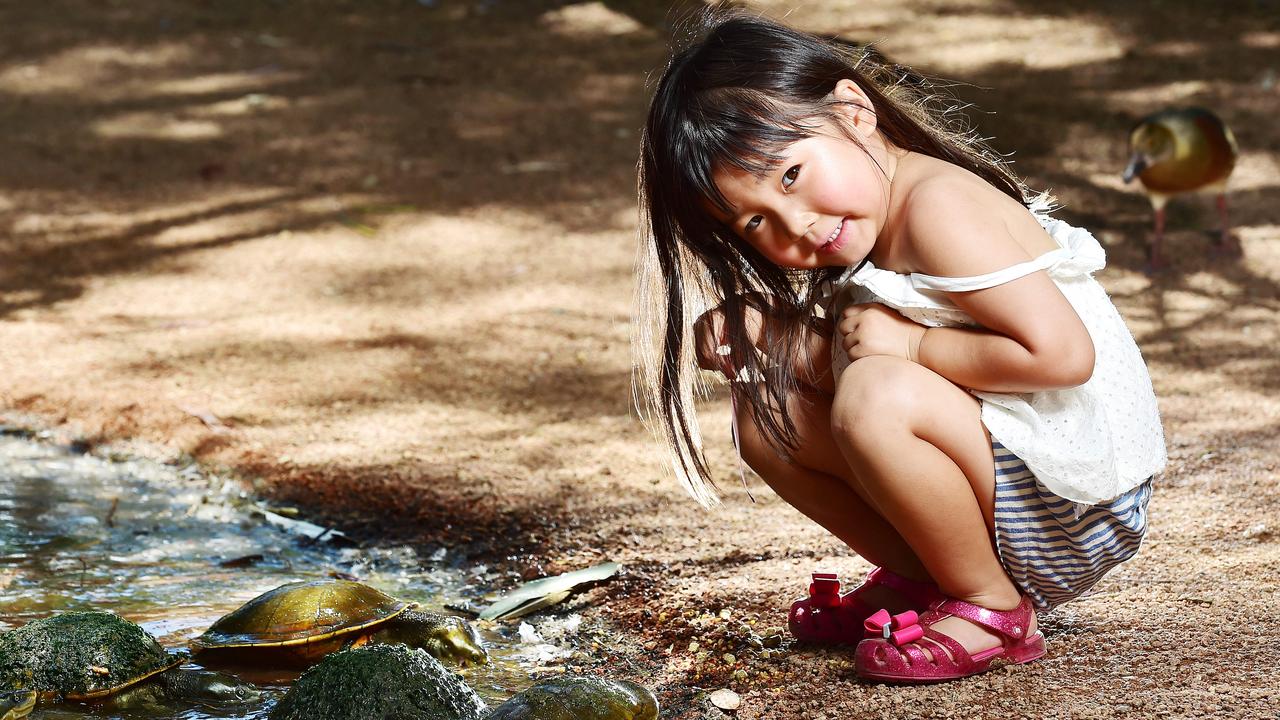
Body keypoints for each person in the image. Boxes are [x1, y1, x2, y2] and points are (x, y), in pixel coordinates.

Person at [633, 10, 1165, 684]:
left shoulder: (938, 206)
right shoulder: (870, 218)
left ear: (853, 111)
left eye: (791, 175)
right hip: (1015, 478)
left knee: (877, 394)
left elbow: (1061, 357)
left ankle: (992, 607)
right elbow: (858, 346)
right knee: (765, 420)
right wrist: (763, 329)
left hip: (1078, 498)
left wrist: (913, 347)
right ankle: (929, 577)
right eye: (756, 219)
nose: (795, 224)